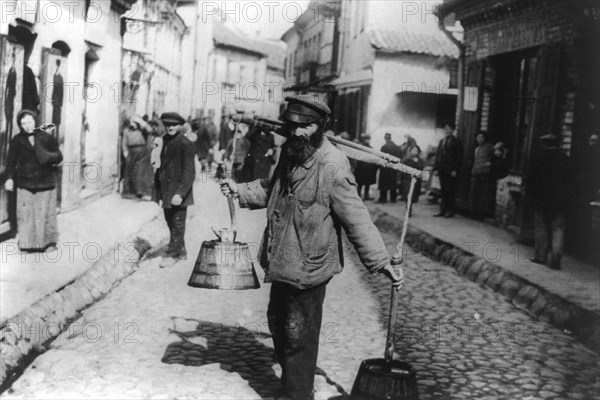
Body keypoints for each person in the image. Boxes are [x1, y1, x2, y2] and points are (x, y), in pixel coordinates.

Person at [219, 95, 403, 400]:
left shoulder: (332, 165)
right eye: (292, 126)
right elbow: (271, 188)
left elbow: (355, 216)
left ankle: (297, 393)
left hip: (310, 264)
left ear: (321, 127)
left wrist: (381, 261)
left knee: (298, 334)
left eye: (305, 127)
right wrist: (240, 190)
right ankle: (296, 380)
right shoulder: (291, 152)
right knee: (277, 321)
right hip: (281, 258)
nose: (297, 132)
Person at [4, 110, 63, 252]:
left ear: (35, 121)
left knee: (46, 212)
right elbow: (11, 161)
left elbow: (58, 156)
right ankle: (26, 244)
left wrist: (46, 156)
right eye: (23, 123)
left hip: (45, 180)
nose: (26, 126)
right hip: (25, 181)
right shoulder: (17, 140)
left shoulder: (46, 137)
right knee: (25, 213)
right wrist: (9, 178)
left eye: (29, 122)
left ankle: (49, 243)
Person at [152, 112, 196, 269]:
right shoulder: (162, 141)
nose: (170, 127)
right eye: (167, 125)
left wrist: (180, 193)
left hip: (178, 191)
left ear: (180, 126)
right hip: (166, 189)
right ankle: (181, 249)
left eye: (174, 125)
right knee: (170, 221)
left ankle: (173, 254)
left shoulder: (186, 144)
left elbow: (189, 172)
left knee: (177, 223)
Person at [526, 134, 568, 270]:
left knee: (541, 227)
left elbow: (531, 180)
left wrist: (530, 197)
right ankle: (556, 257)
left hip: (541, 200)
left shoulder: (538, 159)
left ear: (544, 144)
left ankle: (540, 256)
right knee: (558, 228)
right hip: (559, 201)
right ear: (558, 144)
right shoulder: (565, 160)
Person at [433, 120, 463, 218]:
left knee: (450, 190)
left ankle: (451, 210)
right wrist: (436, 169)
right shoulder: (442, 141)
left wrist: (455, 170)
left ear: (453, 130)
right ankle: (443, 210)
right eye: (446, 129)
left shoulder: (457, 142)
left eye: (450, 129)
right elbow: (438, 156)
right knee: (443, 191)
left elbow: (459, 157)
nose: (448, 131)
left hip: (451, 170)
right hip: (442, 169)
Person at [121, 115, 153, 200]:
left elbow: (150, 130)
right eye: (131, 121)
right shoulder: (127, 130)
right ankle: (128, 192)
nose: (132, 123)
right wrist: (125, 151)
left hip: (141, 151)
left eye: (134, 122)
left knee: (139, 170)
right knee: (129, 170)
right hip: (130, 151)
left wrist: (140, 121)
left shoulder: (142, 130)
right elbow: (124, 142)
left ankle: (140, 192)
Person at [469, 132, 494, 219]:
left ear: (485, 138)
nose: (480, 139)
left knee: (483, 193)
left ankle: (483, 212)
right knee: (474, 193)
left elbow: (498, 151)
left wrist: (491, 163)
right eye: (478, 137)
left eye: (482, 137)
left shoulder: (489, 147)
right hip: (476, 172)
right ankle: (474, 212)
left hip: (484, 173)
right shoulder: (476, 149)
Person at [401, 145, 425, 217]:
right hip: (408, 180)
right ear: (410, 151)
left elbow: (421, 168)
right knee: (408, 195)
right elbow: (403, 170)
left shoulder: (420, 160)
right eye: (413, 150)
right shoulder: (406, 160)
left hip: (416, 180)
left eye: (416, 150)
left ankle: (409, 208)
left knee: (414, 195)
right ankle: (408, 210)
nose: (415, 152)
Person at [353, 133, 378, 200]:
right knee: (362, 184)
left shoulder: (366, 148)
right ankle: (360, 196)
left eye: (368, 139)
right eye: (367, 139)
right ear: (364, 140)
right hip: (362, 169)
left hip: (365, 169)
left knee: (365, 184)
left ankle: (363, 196)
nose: (368, 140)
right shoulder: (363, 148)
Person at [378, 132, 401, 203]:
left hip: (385, 168)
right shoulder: (397, 147)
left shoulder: (384, 147)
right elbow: (399, 158)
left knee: (384, 184)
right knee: (393, 183)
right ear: (391, 138)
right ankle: (393, 199)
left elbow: (381, 158)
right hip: (394, 167)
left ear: (385, 138)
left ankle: (383, 199)